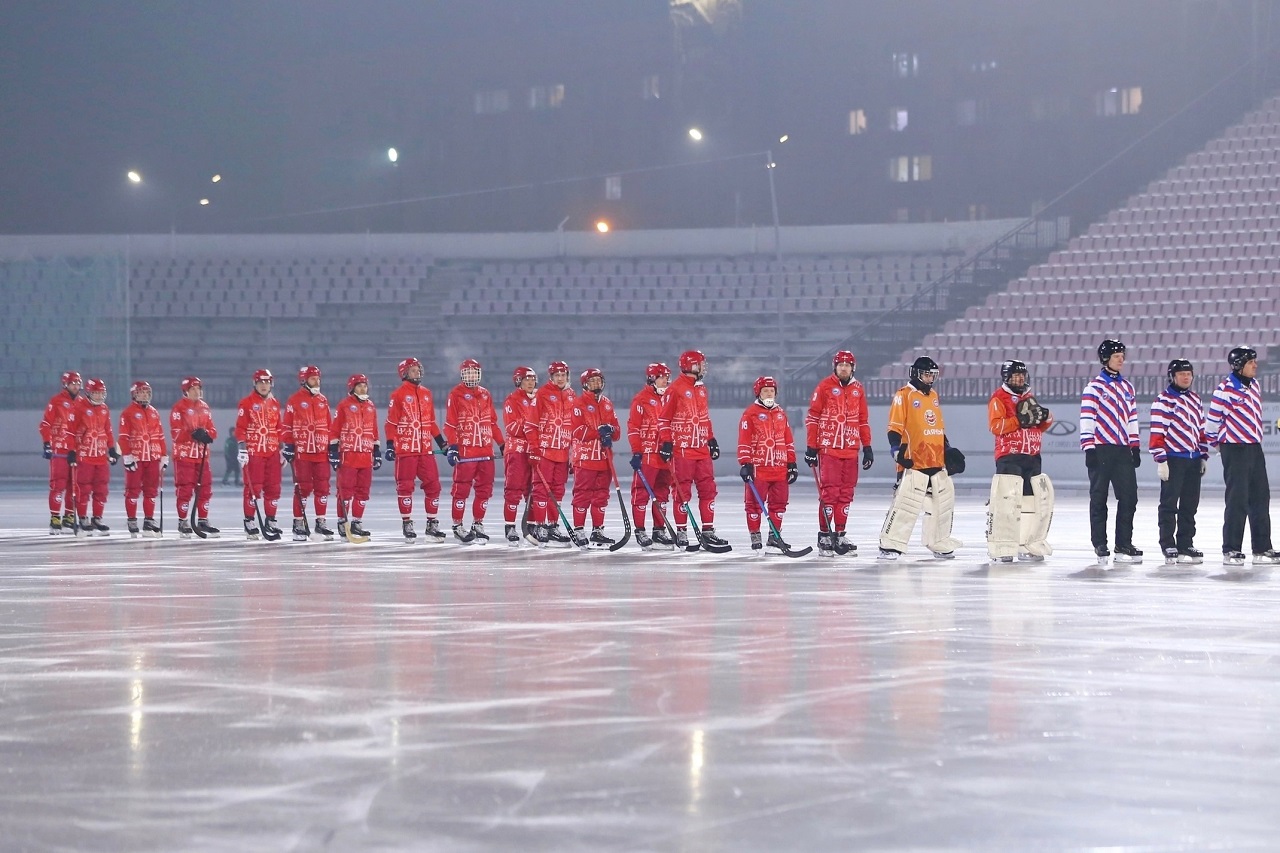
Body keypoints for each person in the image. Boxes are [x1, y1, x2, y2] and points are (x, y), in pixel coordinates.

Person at [878, 356, 963, 560]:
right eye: (927, 374)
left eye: (933, 375)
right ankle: (889, 544)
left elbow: (936, 427)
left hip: (935, 459)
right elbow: (895, 427)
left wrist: (947, 449)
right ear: (916, 374)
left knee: (941, 503)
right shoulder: (904, 395)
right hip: (913, 460)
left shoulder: (933, 395)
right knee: (906, 503)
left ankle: (938, 540)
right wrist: (896, 450)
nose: (930, 379)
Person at [1206, 346, 1278, 566]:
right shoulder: (1224, 389)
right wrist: (1221, 448)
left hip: (1254, 448)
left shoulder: (1254, 385)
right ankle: (1231, 549)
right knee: (1237, 499)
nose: (1255, 365)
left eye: (1255, 361)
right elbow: (1211, 425)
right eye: (1250, 362)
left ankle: (1262, 548)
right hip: (1234, 449)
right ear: (1238, 365)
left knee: (1260, 497)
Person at [804, 350, 873, 557]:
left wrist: (867, 447)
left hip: (851, 450)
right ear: (835, 367)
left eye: (847, 364)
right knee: (830, 493)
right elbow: (813, 418)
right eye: (840, 364)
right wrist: (811, 446)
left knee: (846, 494)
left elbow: (863, 420)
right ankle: (825, 535)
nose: (844, 367)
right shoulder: (824, 387)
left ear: (853, 368)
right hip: (829, 449)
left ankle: (840, 534)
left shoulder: (858, 389)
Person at [986, 360, 1055, 563]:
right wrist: (1018, 420)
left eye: (1022, 375)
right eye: (1016, 375)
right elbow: (996, 427)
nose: (1020, 378)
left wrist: (1046, 417)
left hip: (1032, 456)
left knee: (1031, 504)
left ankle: (1027, 544)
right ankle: (1002, 546)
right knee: (1007, 503)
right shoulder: (999, 398)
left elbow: (1038, 427)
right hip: (1009, 455)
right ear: (1006, 377)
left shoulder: (1028, 397)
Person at [658, 349, 728, 550]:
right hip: (683, 450)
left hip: (701, 450)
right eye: (701, 364)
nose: (703, 367)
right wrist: (666, 442)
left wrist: (711, 439)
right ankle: (682, 531)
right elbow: (664, 418)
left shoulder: (701, 388)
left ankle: (708, 531)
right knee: (682, 491)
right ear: (691, 366)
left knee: (708, 489)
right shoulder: (675, 388)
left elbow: (704, 417)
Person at [1080, 339, 1142, 563]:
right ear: (1106, 359)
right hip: (1101, 449)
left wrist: (1134, 446)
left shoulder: (1127, 387)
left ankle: (1123, 544)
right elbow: (1087, 418)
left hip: (1122, 449)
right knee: (1099, 497)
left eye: (1123, 355)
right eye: (1117, 356)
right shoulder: (1094, 387)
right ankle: (1100, 543)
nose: (1121, 359)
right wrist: (1089, 447)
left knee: (1129, 498)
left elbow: (1132, 418)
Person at [1149, 359, 1208, 565]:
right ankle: (1167, 543)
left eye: (1189, 373)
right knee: (1169, 504)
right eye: (1182, 373)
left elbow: (1201, 429)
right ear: (1172, 376)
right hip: (1173, 459)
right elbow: (1157, 432)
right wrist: (1161, 459)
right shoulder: (1163, 401)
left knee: (1190, 505)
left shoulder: (1195, 399)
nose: (1186, 377)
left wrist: (1203, 455)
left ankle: (1185, 542)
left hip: (1192, 460)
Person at [384, 357, 448, 543]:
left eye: (418, 369)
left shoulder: (427, 393)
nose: (417, 372)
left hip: (425, 450)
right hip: (406, 450)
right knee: (405, 486)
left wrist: (442, 443)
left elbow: (431, 423)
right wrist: (390, 445)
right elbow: (391, 424)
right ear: (404, 373)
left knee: (434, 486)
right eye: (413, 370)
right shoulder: (398, 395)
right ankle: (407, 523)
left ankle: (432, 524)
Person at [443, 358, 504, 544]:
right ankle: (457, 525)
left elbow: (492, 423)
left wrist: (502, 444)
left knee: (484, 490)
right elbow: (450, 425)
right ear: (462, 375)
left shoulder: (485, 394)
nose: (471, 375)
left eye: (474, 372)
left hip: (485, 453)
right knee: (461, 490)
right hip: (466, 453)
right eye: (468, 372)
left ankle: (478, 524)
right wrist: (453, 447)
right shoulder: (456, 394)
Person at [738, 376, 798, 554]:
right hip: (759, 468)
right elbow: (744, 440)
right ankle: (755, 535)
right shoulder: (750, 413)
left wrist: (791, 463)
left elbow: (788, 439)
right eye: (765, 391)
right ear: (758, 393)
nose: (769, 393)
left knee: (779, 503)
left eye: (772, 390)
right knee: (755, 504)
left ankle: (774, 536)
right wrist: (745, 462)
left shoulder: (781, 413)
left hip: (779, 467)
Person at [526, 361, 577, 547]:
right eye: (557, 375)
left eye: (563, 375)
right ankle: (540, 526)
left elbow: (574, 427)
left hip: (563, 452)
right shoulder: (542, 395)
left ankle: (553, 526)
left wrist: (573, 455)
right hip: (545, 451)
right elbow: (530, 425)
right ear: (551, 377)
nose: (560, 378)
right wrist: (534, 448)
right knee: (541, 490)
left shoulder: (572, 395)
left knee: (558, 491)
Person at [570, 368, 621, 548]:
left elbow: (617, 432)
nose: (596, 384)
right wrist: (598, 432)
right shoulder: (578, 404)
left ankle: (597, 531)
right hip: (585, 458)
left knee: (601, 495)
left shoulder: (607, 403)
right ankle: (579, 530)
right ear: (585, 384)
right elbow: (577, 431)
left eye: (598, 380)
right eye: (592, 381)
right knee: (582, 494)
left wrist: (611, 431)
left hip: (604, 459)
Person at [627, 362, 676, 550]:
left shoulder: (671, 398)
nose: (665, 380)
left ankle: (659, 530)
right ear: (651, 378)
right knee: (641, 493)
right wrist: (637, 451)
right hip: (648, 453)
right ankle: (640, 530)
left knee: (662, 492)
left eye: (666, 377)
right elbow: (634, 427)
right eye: (661, 377)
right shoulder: (641, 399)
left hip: (665, 454)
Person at [282, 365, 334, 541]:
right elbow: (287, 426)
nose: (317, 381)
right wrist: (288, 445)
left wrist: (332, 447)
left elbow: (329, 425)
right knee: (302, 488)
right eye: (313, 378)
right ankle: (298, 523)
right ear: (304, 380)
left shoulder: (323, 400)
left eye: (318, 378)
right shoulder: (294, 400)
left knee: (323, 488)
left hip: (321, 452)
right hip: (302, 452)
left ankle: (321, 522)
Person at [330, 373, 381, 542]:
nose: (362, 388)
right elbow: (335, 429)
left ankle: (356, 522)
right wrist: (333, 451)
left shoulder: (370, 406)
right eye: (359, 385)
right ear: (352, 388)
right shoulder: (344, 405)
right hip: (349, 455)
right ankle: (342, 522)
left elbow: (374, 430)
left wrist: (377, 451)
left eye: (365, 385)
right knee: (345, 491)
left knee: (363, 491)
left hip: (366, 456)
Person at [235, 368, 284, 540]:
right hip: (254, 451)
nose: (264, 385)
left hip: (272, 451)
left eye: (267, 382)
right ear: (255, 383)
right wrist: (242, 447)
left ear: (271, 383)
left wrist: (282, 448)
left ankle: (271, 519)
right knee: (253, 487)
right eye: (260, 382)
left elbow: (279, 427)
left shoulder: (275, 403)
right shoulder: (246, 403)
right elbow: (240, 428)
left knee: (273, 487)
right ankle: (249, 520)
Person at [169, 376, 220, 538]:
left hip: (202, 456)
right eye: (193, 389)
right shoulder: (179, 408)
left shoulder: (205, 407)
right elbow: (175, 433)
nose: (197, 391)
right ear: (186, 391)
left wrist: (207, 434)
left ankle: (203, 520)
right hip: (185, 456)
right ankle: (182, 521)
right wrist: (192, 434)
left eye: (198, 388)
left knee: (205, 488)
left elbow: (213, 429)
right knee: (185, 489)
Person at [118, 380, 168, 538]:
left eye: (147, 392)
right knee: (132, 490)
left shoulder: (154, 412)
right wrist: (127, 455)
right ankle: (132, 520)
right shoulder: (127, 413)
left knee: (151, 491)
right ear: (134, 394)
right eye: (142, 392)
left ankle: (149, 521)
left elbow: (160, 436)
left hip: (152, 457)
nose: (145, 395)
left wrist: (164, 455)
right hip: (136, 457)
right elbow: (123, 437)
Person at [72, 378, 120, 534]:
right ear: (88, 393)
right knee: (84, 487)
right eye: (95, 393)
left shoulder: (104, 409)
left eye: (101, 393)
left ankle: (97, 517)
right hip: (85, 456)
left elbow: (108, 431)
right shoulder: (78, 407)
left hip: (100, 456)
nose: (99, 396)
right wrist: (72, 450)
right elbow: (71, 431)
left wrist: (111, 448)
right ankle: (83, 517)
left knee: (101, 488)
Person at [39, 370, 81, 534]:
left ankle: (69, 517)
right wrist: (47, 444)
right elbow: (45, 424)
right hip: (59, 449)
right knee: (58, 484)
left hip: (76, 450)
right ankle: (55, 517)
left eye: (78, 383)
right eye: (73, 383)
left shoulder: (83, 403)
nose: (76, 386)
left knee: (74, 485)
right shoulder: (56, 401)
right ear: (65, 384)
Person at [501, 366, 539, 546]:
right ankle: (510, 526)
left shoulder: (539, 399)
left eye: (532, 379)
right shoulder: (512, 400)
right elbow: (512, 428)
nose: (530, 382)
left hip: (535, 451)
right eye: (526, 379)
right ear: (519, 381)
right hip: (517, 451)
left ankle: (531, 526)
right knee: (514, 488)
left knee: (534, 490)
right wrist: (531, 425)